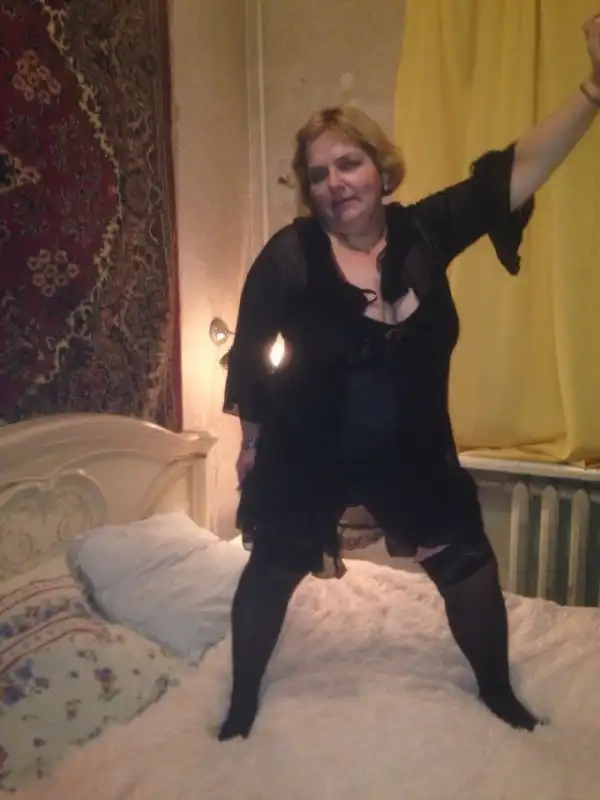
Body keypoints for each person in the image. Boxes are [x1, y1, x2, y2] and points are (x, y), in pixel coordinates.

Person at [219, 15, 600, 742]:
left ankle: (499, 695)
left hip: (413, 450)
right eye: (319, 174)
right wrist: (252, 445)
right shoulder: (291, 256)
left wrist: (593, 90)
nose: (335, 183)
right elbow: (252, 356)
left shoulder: (424, 231)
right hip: (309, 448)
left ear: (380, 167)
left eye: (348, 163)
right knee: (271, 571)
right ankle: (239, 708)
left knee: (468, 567)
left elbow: (513, 173)